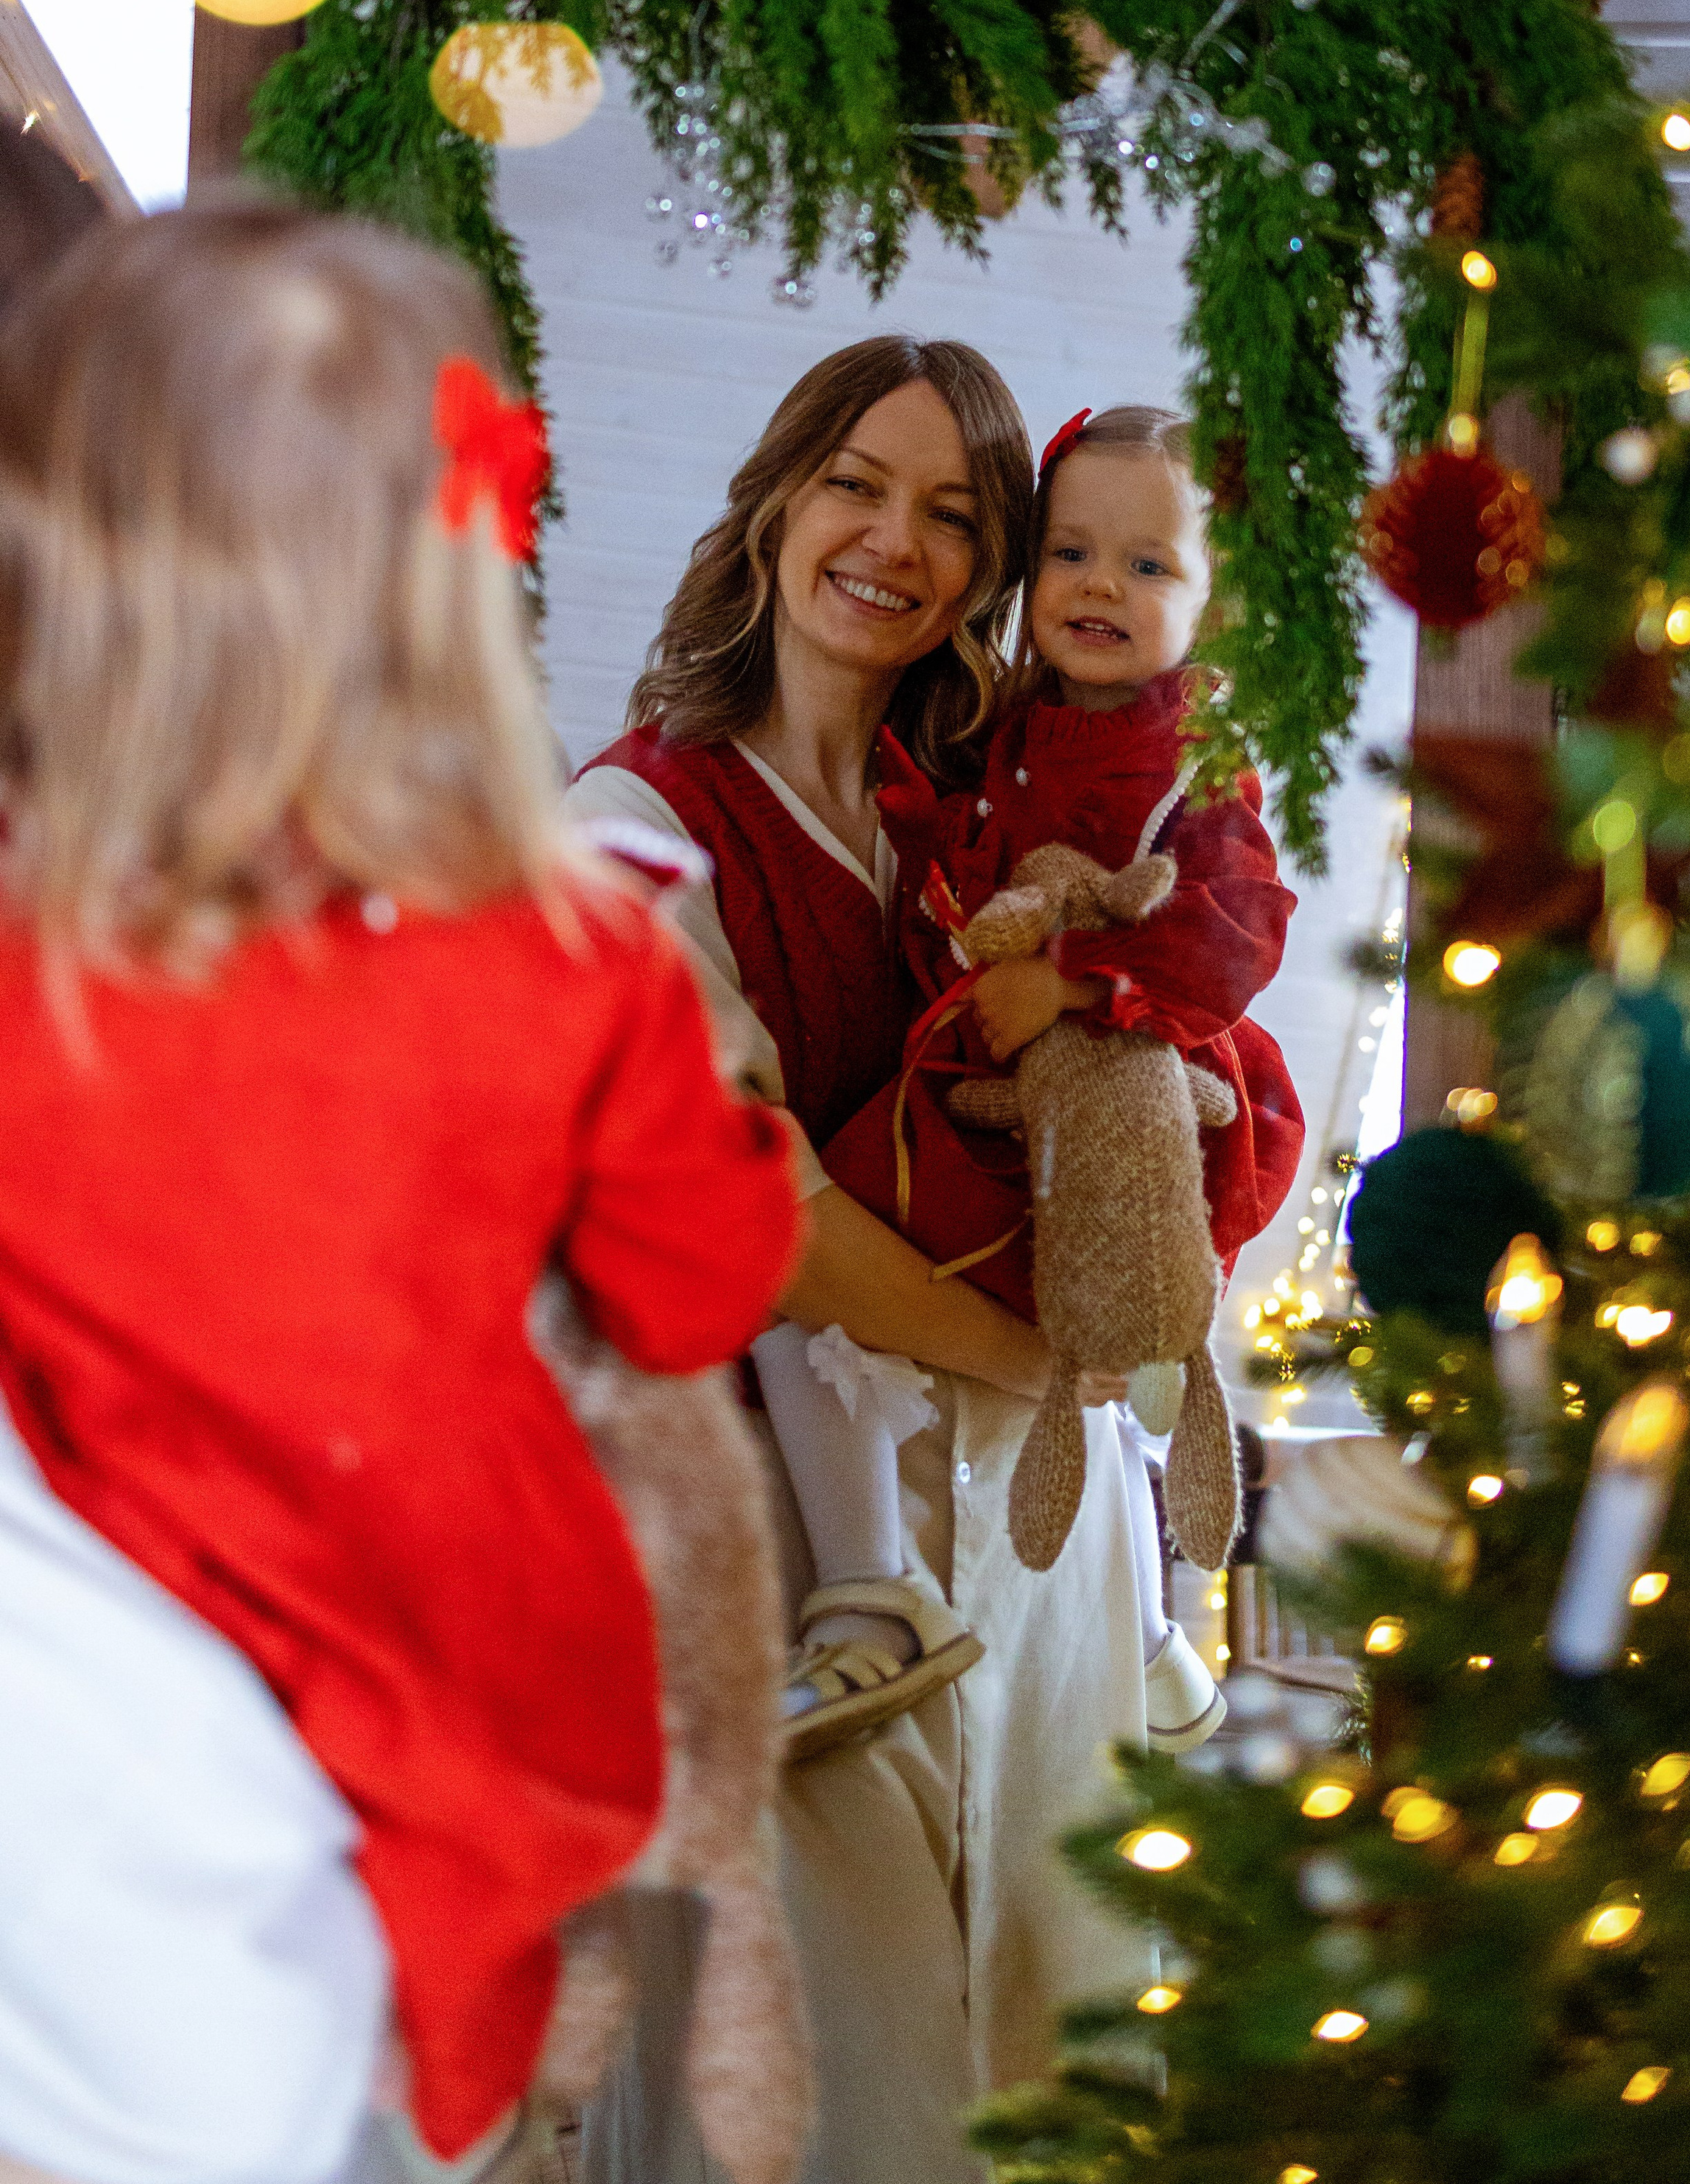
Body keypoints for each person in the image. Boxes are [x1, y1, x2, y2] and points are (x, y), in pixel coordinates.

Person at [0, 204, 799, 2184]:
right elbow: (699, 1295)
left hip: (90, 1666)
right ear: (456, 557)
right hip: (437, 1672)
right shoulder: (573, 956)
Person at [568, 335, 1155, 2184]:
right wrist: (1037, 1361)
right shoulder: (633, 834)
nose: (892, 540)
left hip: (1041, 1555)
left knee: (1049, 2042)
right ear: (771, 507)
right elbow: (745, 1220)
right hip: (795, 1576)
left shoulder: (971, 831)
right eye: (853, 483)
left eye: (953, 512)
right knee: (839, 2093)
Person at [806, 402, 1303, 1753]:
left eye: (1149, 567)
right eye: (1073, 553)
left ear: (1221, 599)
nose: (1100, 587)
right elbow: (946, 841)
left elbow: (1237, 927)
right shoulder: (1003, 718)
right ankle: (865, 1580)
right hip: (997, 1065)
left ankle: (1149, 1619)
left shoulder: (1197, 760)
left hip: (1130, 1074)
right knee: (826, 1264)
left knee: (1124, 1317)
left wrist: (1080, 983)